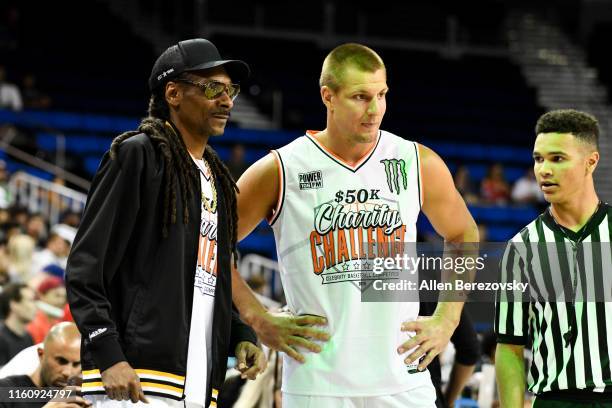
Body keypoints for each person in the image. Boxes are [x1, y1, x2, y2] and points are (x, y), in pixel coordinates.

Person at [231, 43, 479, 407]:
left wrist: (447, 316)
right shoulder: (281, 169)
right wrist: (256, 316)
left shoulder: (415, 161)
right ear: (327, 96)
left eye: (381, 95)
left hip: (404, 383)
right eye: (361, 97)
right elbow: (208, 245)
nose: (375, 109)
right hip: (317, 383)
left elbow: (462, 233)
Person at [65, 38, 265, 408]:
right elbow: (84, 268)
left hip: (198, 379)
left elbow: (212, 274)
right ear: (173, 93)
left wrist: (239, 331)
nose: (227, 101)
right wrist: (109, 354)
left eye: (230, 90)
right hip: (134, 378)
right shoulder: (137, 154)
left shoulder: (217, 178)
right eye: (212, 89)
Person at [495, 109, 612, 407]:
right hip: (556, 400)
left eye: (557, 158)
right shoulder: (522, 246)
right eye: (538, 159)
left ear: (591, 162)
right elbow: (510, 345)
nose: (544, 170)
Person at [0, 322, 91, 408]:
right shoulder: (6, 390)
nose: (67, 372)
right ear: (41, 354)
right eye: (61, 361)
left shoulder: (75, 400)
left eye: (76, 364)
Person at [0, 283, 36, 365]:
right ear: (14, 304)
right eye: (31, 300)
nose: (35, 306)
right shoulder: (1, 339)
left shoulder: (28, 338)